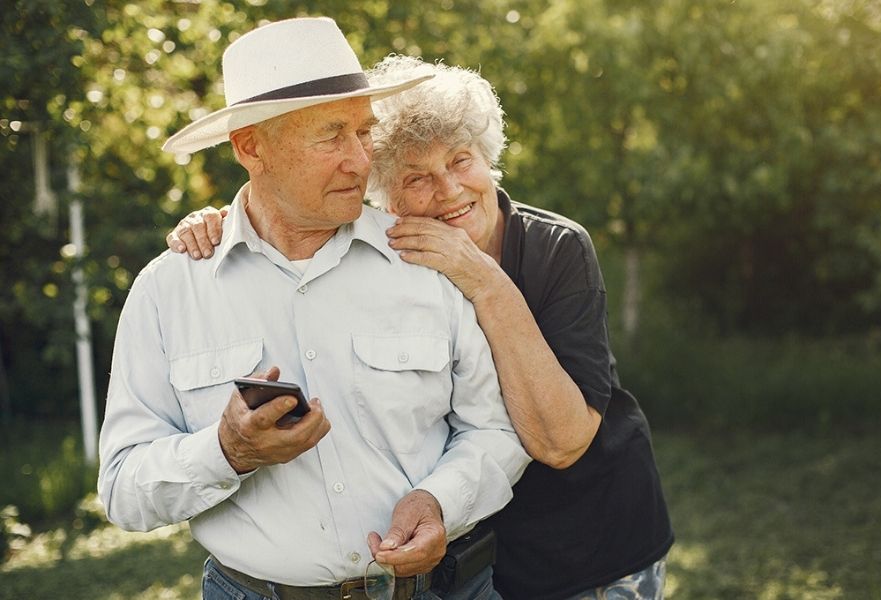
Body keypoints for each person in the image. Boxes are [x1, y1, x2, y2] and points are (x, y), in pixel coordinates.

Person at [168, 56, 674, 599]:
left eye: (461, 161)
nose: (449, 189)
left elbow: (563, 443)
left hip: (590, 546)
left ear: (488, 157)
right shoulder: (391, 256)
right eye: (416, 177)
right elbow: (288, 214)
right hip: (473, 560)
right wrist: (226, 222)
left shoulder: (556, 248)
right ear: (381, 195)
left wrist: (484, 280)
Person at [98, 18, 529, 600]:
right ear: (251, 146)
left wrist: (440, 502)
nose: (360, 160)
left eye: (364, 133)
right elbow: (123, 488)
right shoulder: (167, 292)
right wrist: (226, 452)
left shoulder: (427, 259)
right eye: (331, 136)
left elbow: (496, 428)